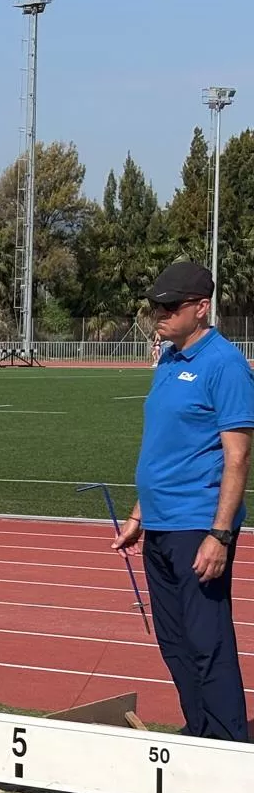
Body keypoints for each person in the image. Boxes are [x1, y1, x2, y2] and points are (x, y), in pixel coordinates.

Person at [114, 261, 254, 742]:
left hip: (199, 524)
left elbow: (237, 457)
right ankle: (200, 734)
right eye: (156, 306)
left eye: (170, 307)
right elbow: (164, 445)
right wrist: (139, 512)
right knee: (174, 642)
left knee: (206, 641)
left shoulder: (225, 364)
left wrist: (220, 533)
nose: (159, 314)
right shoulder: (169, 360)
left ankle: (229, 744)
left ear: (201, 307)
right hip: (161, 523)